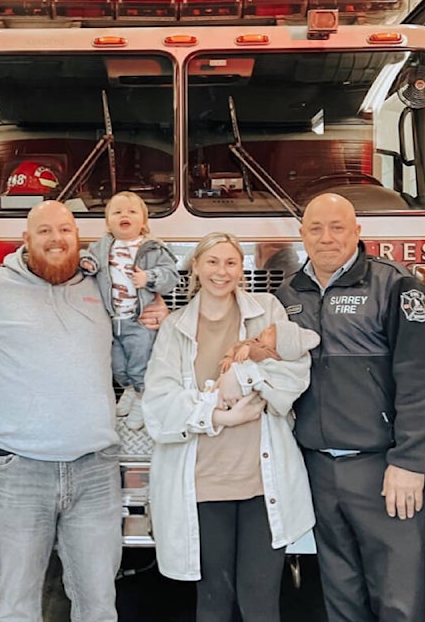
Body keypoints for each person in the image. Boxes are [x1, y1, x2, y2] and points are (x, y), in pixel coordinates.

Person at [0, 200, 123, 622]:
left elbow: (137, 331)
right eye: (44, 231)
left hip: (95, 470)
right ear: (26, 240)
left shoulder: (102, 286)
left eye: (65, 230)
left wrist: (154, 312)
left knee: (98, 603)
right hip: (19, 471)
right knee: (18, 603)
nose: (56, 239)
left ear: (78, 239)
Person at [275, 193, 425, 622]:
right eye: (316, 228)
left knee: (397, 598)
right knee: (339, 591)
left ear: (357, 233)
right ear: (302, 235)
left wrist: (410, 461)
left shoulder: (395, 285)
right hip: (317, 466)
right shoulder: (288, 293)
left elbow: (423, 377)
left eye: (338, 227)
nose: (326, 238)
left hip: (383, 468)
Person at [142, 232, 318, 622]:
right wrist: (219, 415)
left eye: (231, 263)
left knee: (261, 603)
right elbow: (158, 403)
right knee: (214, 602)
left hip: (262, 484)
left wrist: (244, 375)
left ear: (242, 268)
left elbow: (295, 372)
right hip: (203, 484)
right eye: (212, 262)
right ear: (197, 268)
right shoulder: (175, 327)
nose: (222, 272)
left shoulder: (267, 311)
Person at [90, 191, 179, 429]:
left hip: (140, 319)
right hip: (111, 320)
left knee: (140, 363)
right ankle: (129, 390)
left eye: (131, 211)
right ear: (108, 222)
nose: (124, 215)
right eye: (117, 212)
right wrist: (85, 264)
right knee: (117, 364)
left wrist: (148, 278)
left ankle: (142, 398)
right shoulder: (100, 248)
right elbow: (87, 265)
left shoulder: (153, 249)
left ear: (144, 221)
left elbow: (172, 276)